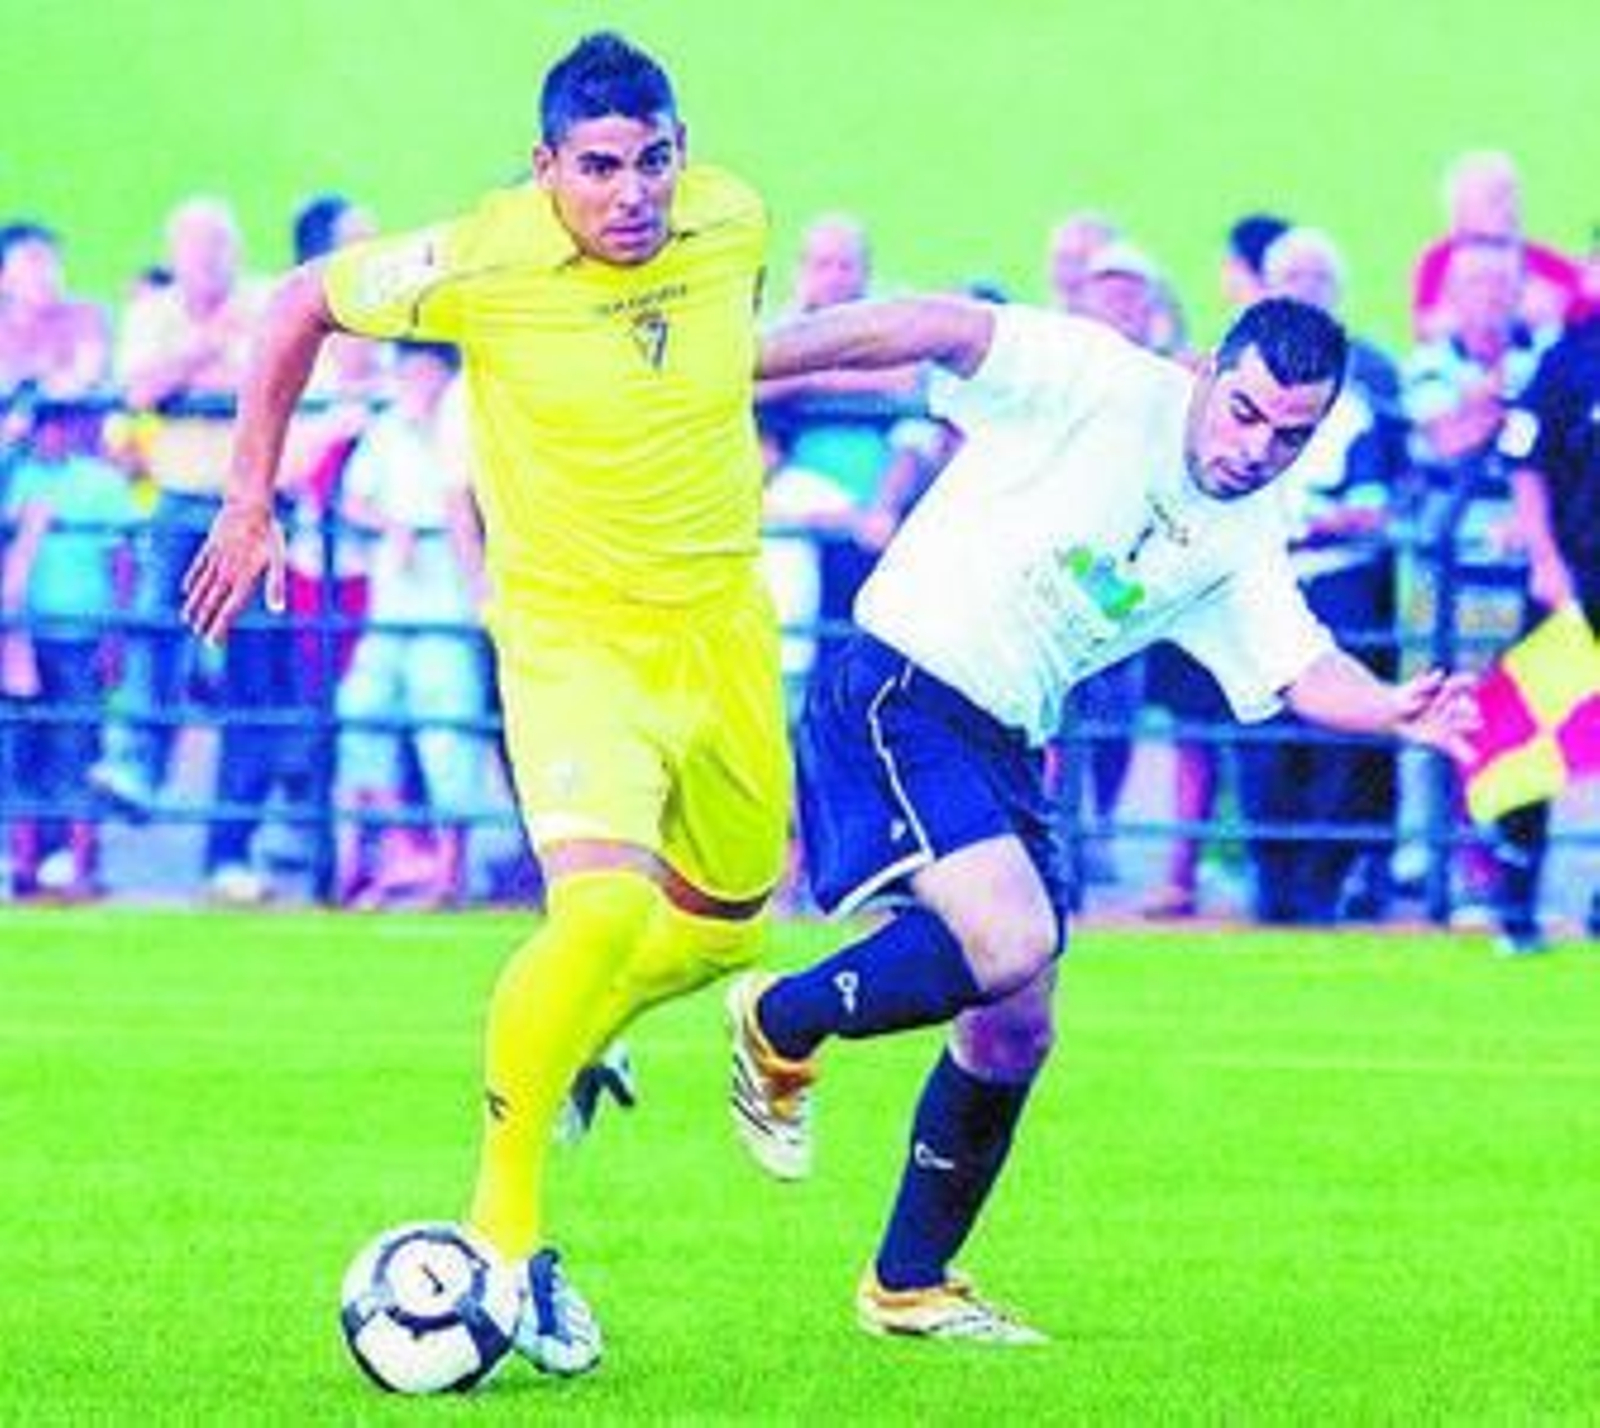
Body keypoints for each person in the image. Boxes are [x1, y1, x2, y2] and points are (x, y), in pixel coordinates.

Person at [181, 33, 790, 1378]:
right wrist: (248, 497)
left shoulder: (737, 218)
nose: (634, 192)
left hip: (726, 633)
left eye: (654, 161)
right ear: (545, 167)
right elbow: (294, 306)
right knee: (603, 908)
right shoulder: (483, 258)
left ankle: (579, 1043)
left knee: (725, 935)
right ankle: (505, 1235)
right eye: (600, 168)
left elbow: (717, 364)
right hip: (571, 639)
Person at [727, 294, 1478, 1343]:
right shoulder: (1093, 378)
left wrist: (1392, 708)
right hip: (899, 682)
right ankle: (779, 1021)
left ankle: (909, 1285)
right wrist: (747, 357)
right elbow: (937, 324)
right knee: (1011, 938)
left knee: (1014, 1027)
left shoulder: (1243, 534)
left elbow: (1303, 666)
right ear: (1211, 369)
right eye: (1245, 414)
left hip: (1000, 735)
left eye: (1291, 435)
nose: (1257, 448)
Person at [1491, 256, 1600, 952]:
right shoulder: (1568, 361)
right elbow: (1525, 466)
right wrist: (1544, 559)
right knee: (1534, 744)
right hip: (1576, 579)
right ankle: (1517, 903)